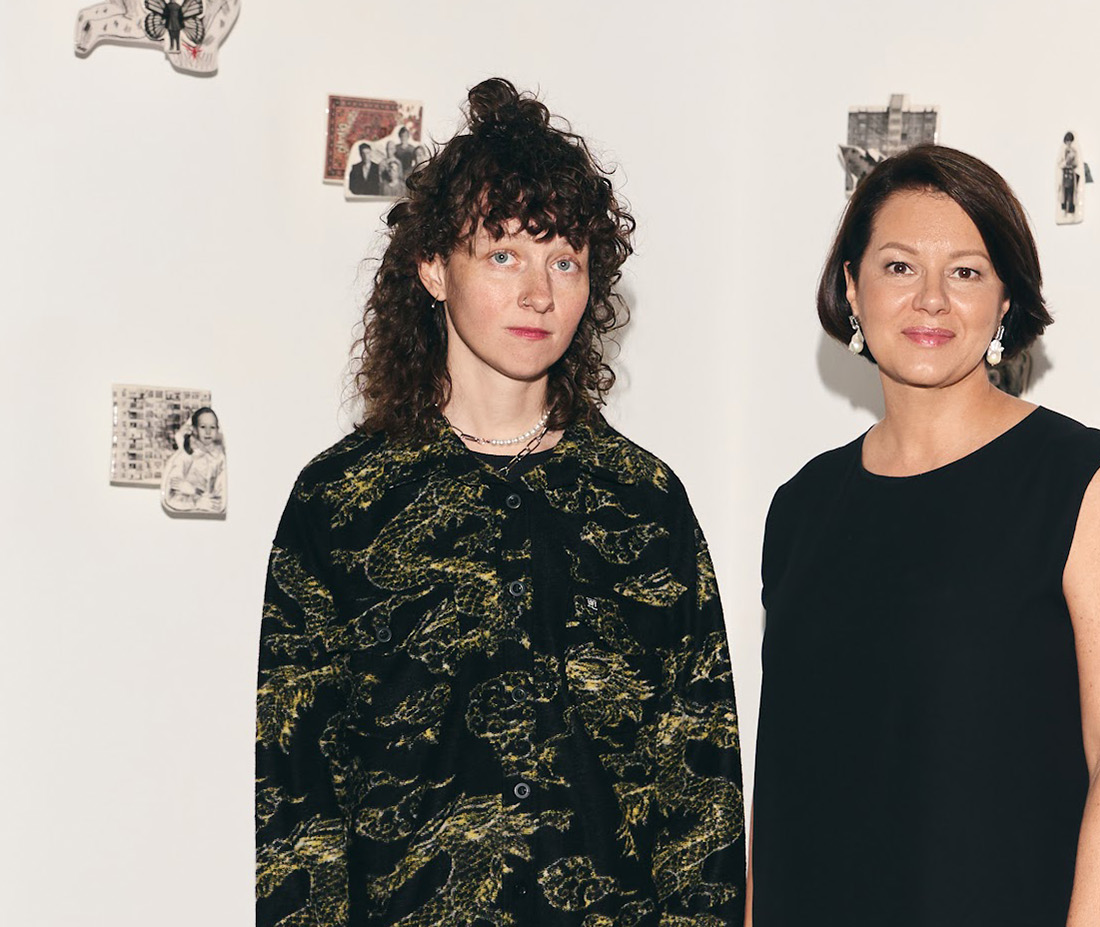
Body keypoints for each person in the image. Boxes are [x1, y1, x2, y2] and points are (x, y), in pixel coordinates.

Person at [256, 78, 745, 927]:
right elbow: (297, 799)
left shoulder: (646, 503)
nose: (539, 293)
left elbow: (701, 788)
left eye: (565, 261)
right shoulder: (337, 502)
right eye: (504, 254)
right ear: (433, 267)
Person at [751, 145, 1100, 927]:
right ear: (852, 287)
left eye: (967, 272)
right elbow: (780, 783)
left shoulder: (1081, 484)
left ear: (1005, 297)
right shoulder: (802, 507)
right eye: (900, 266)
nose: (932, 299)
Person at [160, 406, 226, 513]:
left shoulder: (220, 458)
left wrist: (194, 491)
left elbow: (220, 501)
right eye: (203, 427)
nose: (208, 432)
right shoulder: (184, 457)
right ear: (195, 430)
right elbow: (170, 499)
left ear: (217, 430)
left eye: (212, 427)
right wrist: (196, 502)